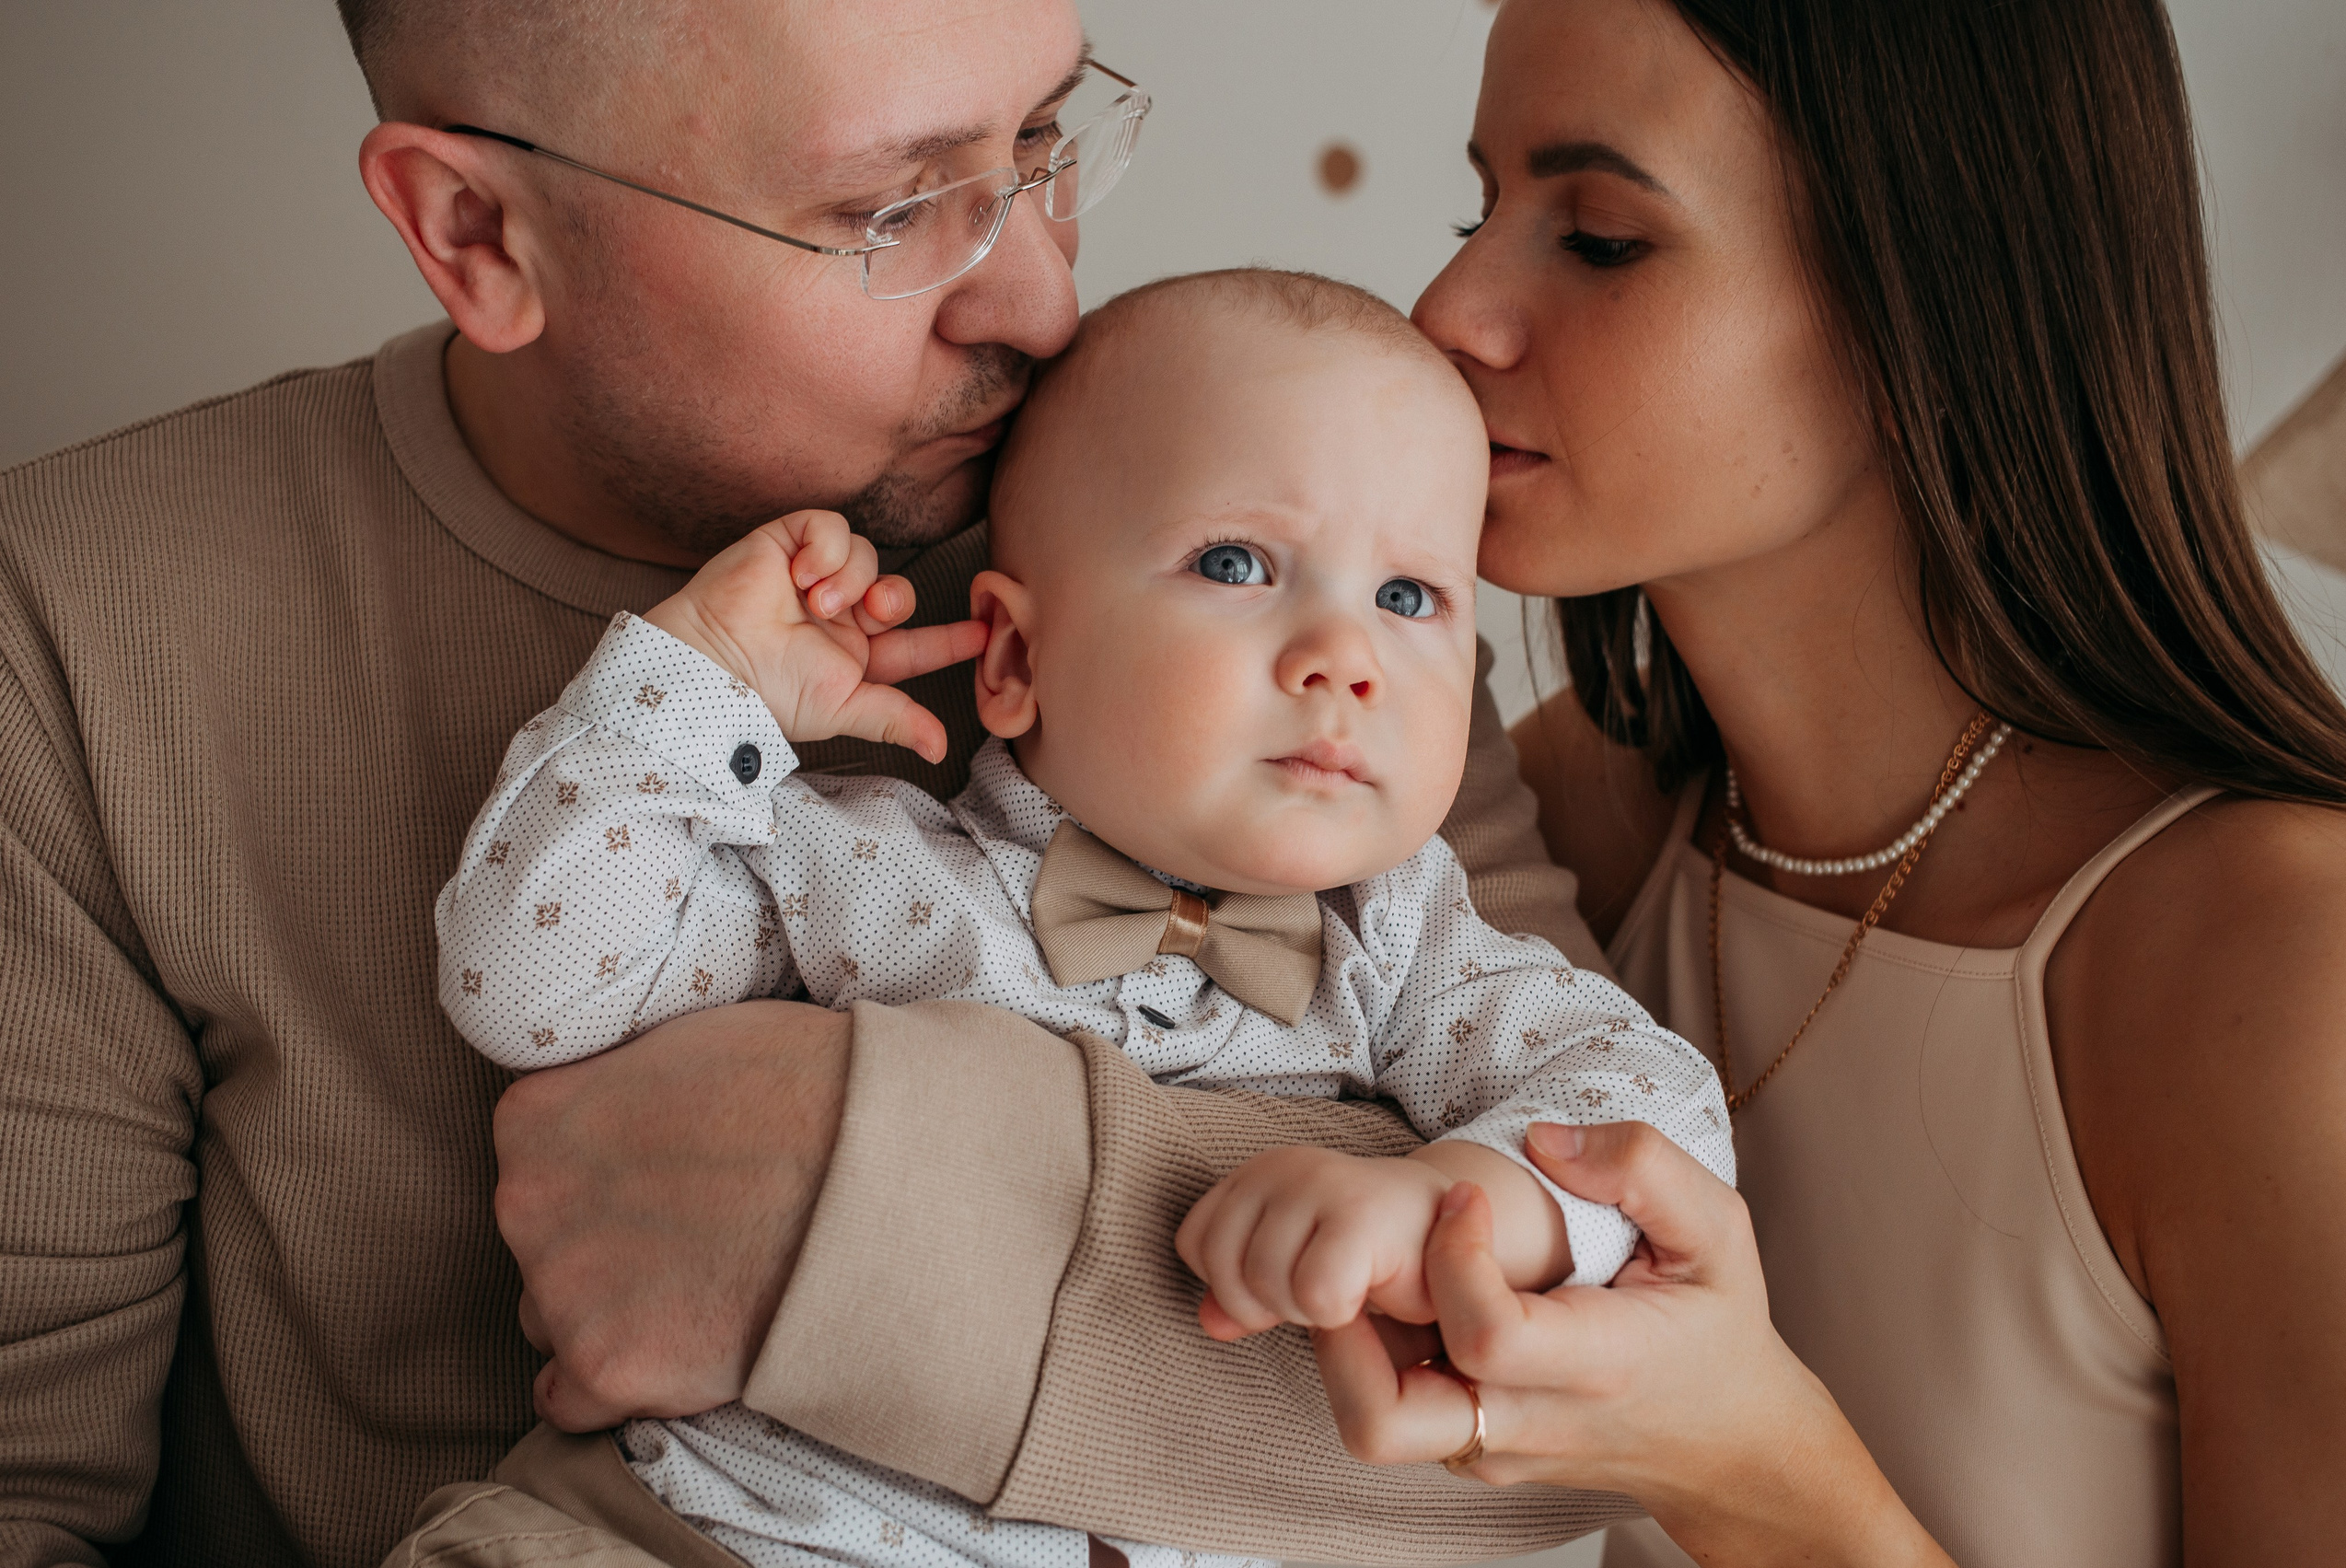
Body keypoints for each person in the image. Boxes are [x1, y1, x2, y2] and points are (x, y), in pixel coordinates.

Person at [0, 3, 1630, 1564]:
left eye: (1048, 137)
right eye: (896, 207)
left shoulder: (1275, 573)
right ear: (476, 230)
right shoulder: (72, 628)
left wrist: (852, 1205)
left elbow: (1591, 1435)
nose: (1044, 304)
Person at [433, 269, 1735, 1568]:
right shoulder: (873, 874)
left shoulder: (1407, 957)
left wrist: (1462, 1204)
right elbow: (529, 987)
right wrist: (701, 683)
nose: (1347, 656)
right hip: (705, 1535)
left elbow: (1654, 1125)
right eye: (1238, 564)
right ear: (1010, 658)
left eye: (1410, 598)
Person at [1304, 0, 2346, 1564]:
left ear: (1933, 301)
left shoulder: (2285, 977)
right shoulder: (1571, 830)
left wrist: (1750, 1468)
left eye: (1596, 237)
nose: (1450, 306)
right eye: (1482, 205)